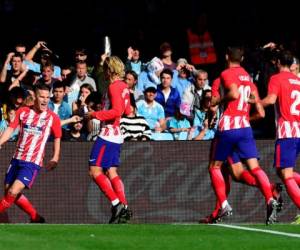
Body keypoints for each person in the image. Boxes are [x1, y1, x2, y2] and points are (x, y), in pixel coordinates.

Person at [209, 46, 279, 225]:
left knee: (215, 167)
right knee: (249, 169)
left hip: (228, 127)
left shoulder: (224, 76)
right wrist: (246, 115)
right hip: (245, 128)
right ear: (242, 59)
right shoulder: (248, 78)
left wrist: (218, 101)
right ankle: (270, 197)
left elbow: (227, 96)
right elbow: (260, 110)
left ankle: (223, 205)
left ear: (226, 57)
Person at [0, 84, 62, 223]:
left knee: (12, 192)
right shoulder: (22, 112)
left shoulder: (53, 118)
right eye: (41, 97)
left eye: (47, 97)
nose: (45, 100)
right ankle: (36, 218)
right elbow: (10, 129)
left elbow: (57, 137)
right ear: (34, 96)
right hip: (16, 159)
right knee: (9, 192)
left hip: (32, 162)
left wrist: (55, 157)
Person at [85, 56, 132, 224]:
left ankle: (117, 203)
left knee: (95, 171)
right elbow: (128, 110)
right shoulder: (124, 86)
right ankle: (124, 207)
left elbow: (117, 111)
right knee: (111, 171)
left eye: (105, 70)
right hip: (117, 134)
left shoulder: (113, 87)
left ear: (109, 70)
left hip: (108, 133)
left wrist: (94, 114)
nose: (103, 73)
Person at [261, 50, 300, 214]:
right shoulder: (298, 80)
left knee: (286, 174)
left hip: (287, 132)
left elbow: (270, 100)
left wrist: (253, 104)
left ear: (277, 62)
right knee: (280, 170)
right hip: (298, 130)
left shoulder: (276, 78)